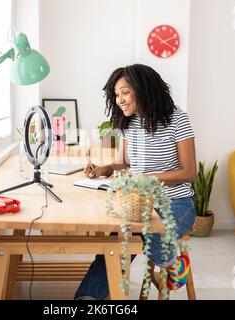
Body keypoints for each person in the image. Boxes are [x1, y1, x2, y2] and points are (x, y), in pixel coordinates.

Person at [74, 64, 197, 300]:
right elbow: (124, 162)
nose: (119, 100)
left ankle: (173, 262)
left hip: (177, 201)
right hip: (139, 200)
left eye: (125, 92)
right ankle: (86, 299)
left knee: (151, 230)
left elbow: (189, 172)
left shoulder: (177, 119)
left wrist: (148, 179)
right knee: (117, 241)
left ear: (143, 89)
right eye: (116, 94)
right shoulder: (128, 123)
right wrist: (105, 168)